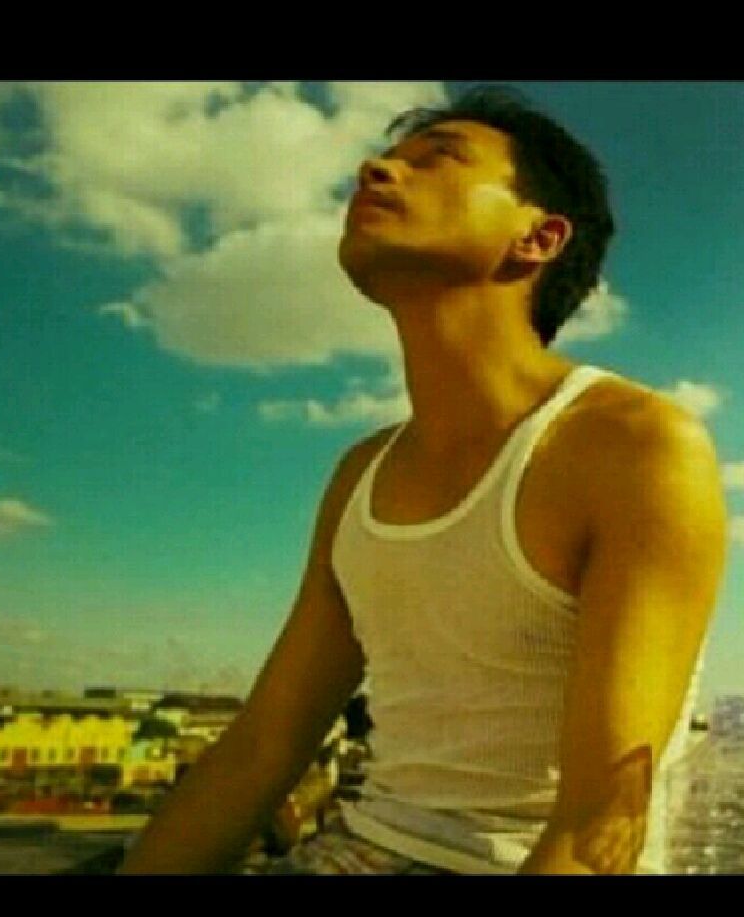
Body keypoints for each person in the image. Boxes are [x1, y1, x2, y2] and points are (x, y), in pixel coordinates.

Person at [117, 85, 728, 875]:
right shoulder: (361, 474)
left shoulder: (637, 446)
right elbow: (260, 749)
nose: (375, 171)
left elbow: (596, 824)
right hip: (355, 849)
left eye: (437, 160)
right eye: (385, 158)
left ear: (538, 237)